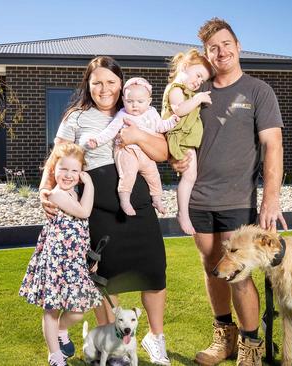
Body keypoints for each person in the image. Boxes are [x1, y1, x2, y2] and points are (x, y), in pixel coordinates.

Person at [39, 56, 172, 366]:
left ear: (121, 85)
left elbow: (163, 152)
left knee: (154, 273)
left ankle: (156, 337)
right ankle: (113, 348)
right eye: (97, 82)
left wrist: (138, 135)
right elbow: (56, 157)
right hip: (98, 214)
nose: (104, 88)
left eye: (111, 82)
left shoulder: (139, 111)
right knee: (105, 280)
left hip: (138, 208)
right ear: (88, 84)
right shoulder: (77, 117)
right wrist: (45, 191)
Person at [172, 18, 288, 366]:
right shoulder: (194, 94)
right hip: (199, 199)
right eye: (213, 48)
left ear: (238, 47)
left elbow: (273, 145)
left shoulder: (258, 91)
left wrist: (271, 198)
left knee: (238, 275)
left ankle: (252, 345)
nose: (220, 52)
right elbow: (177, 136)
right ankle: (225, 337)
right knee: (213, 268)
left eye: (226, 44)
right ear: (206, 55)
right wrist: (177, 160)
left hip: (238, 201)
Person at [19, 142, 104, 366]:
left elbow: (79, 230)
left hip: (74, 261)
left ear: (80, 172)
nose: (68, 175)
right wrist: (90, 185)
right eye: (63, 169)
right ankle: (55, 355)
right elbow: (85, 213)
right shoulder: (56, 195)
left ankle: (61, 331)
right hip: (56, 262)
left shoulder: (72, 193)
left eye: (74, 171)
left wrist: (88, 257)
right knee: (52, 309)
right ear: (53, 169)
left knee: (77, 309)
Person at [83, 77, 179, 216]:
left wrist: (172, 121)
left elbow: (160, 126)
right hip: (127, 151)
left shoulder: (152, 113)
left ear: (149, 101)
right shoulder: (122, 114)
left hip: (145, 153)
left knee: (154, 175)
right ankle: (125, 200)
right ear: (123, 100)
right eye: (130, 101)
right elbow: (110, 131)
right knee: (127, 175)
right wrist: (97, 141)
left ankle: (157, 199)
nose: (135, 105)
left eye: (140, 101)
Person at [160, 49, 213, 235]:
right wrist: (198, 99)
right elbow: (179, 110)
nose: (198, 82)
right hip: (180, 139)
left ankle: (184, 211)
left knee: (191, 177)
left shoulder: (187, 91)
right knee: (189, 177)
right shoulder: (175, 89)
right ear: (185, 66)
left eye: (201, 80)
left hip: (186, 139)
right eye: (198, 75)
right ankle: (183, 213)